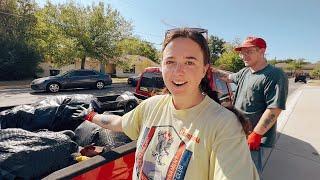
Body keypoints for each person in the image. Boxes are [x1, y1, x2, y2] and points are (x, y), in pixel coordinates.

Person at [73, 28, 259, 180]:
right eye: (170, 61)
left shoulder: (225, 126)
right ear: (162, 67)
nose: (178, 72)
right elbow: (119, 123)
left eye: (189, 62)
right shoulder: (152, 105)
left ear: (204, 70)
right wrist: (90, 116)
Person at [213, 36, 288, 177]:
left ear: (262, 51)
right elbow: (228, 77)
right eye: (242, 52)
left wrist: (257, 134)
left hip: (255, 139)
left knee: (250, 173)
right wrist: (211, 71)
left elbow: (274, 108)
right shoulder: (245, 72)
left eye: (249, 52)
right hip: (239, 132)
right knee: (238, 171)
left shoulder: (274, 75)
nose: (243, 56)